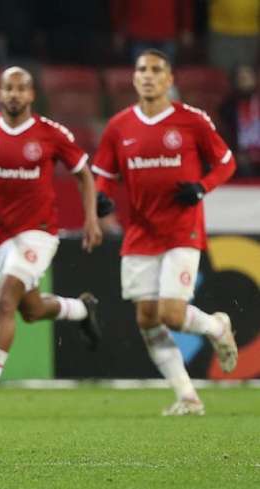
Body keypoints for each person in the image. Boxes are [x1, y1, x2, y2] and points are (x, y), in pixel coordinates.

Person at [0, 67, 103, 416]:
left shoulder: (50, 133)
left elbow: (83, 173)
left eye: (21, 88)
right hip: (0, 238)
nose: (14, 94)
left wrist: (91, 218)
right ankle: (81, 309)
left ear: (32, 95)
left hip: (39, 232)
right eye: (8, 88)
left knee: (5, 301)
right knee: (29, 310)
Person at [92, 49, 238, 416]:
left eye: (156, 70)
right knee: (146, 318)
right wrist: (102, 201)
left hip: (181, 229)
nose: (148, 75)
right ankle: (187, 396)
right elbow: (104, 177)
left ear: (169, 79)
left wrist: (202, 187)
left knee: (171, 314)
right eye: (142, 69)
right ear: (133, 77)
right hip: (140, 233)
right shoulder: (119, 127)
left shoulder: (192, 121)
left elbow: (225, 161)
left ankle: (218, 327)